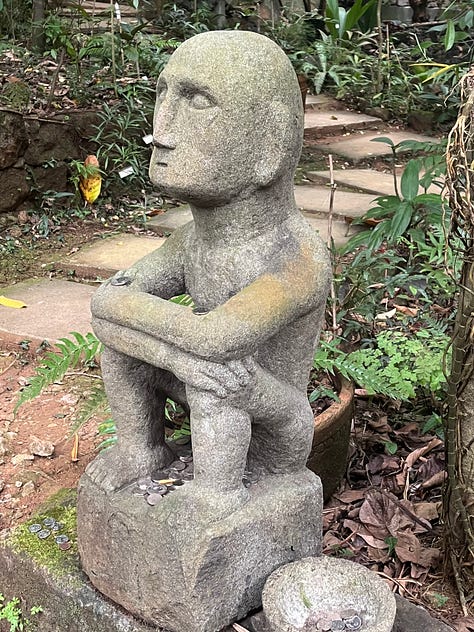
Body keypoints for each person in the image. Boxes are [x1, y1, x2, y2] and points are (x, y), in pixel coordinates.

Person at [86, 30, 331, 517]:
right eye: (163, 94)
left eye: (197, 101)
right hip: (211, 379)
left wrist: (186, 351)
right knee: (132, 352)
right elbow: (106, 302)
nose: (162, 130)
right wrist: (179, 355)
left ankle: (217, 495)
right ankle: (141, 451)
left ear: (271, 142)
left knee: (217, 378)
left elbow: (220, 338)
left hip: (275, 417)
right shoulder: (189, 242)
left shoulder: (297, 257)